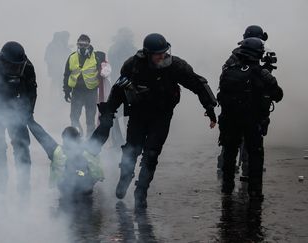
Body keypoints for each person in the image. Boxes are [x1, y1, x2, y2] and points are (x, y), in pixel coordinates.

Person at [101, 33, 217, 209]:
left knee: (152, 154)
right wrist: (109, 112)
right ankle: (125, 177)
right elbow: (119, 89)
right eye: (158, 54)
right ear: (148, 53)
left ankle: (141, 190)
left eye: (164, 52)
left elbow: (197, 83)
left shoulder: (175, 66)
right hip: (138, 114)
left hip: (162, 116)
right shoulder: (133, 65)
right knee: (132, 150)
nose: (162, 56)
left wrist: (209, 107)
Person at [217, 37, 283, 200]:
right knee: (255, 155)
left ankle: (227, 187)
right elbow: (278, 94)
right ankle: (254, 191)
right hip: (252, 122)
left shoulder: (229, 70)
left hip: (229, 120)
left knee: (230, 153)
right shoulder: (261, 73)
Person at [0, 41, 37, 195]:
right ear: (4, 60)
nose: (15, 69)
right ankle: (1, 181)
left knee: (22, 145)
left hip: (17, 108)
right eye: (12, 65)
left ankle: (24, 183)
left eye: (18, 65)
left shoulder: (27, 66)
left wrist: (28, 112)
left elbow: (31, 92)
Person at [27, 104, 113, 198]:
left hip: (65, 188)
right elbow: (100, 135)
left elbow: (42, 135)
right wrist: (106, 121)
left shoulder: (57, 151)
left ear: (64, 139)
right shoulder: (88, 149)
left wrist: (30, 121)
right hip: (86, 187)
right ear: (79, 139)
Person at [63, 34, 107, 137]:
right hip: (77, 91)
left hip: (91, 92)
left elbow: (104, 70)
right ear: (77, 44)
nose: (82, 47)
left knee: (90, 118)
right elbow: (67, 74)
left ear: (89, 45)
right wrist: (66, 90)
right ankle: (76, 138)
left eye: (85, 45)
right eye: (80, 45)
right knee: (74, 117)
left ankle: (89, 140)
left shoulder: (96, 57)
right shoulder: (72, 57)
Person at [107, 27, 137, 147]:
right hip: (119, 84)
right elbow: (115, 63)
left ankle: (130, 140)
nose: (128, 37)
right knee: (114, 114)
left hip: (131, 85)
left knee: (131, 113)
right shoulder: (115, 49)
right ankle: (117, 141)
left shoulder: (133, 49)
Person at [44, 31, 72, 100]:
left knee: (58, 82)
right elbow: (47, 57)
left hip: (59, 68)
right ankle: (53, 97)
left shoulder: (59, 45)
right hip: (55, 68)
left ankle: (58, 96)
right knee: (56, 82)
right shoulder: (53, 45)